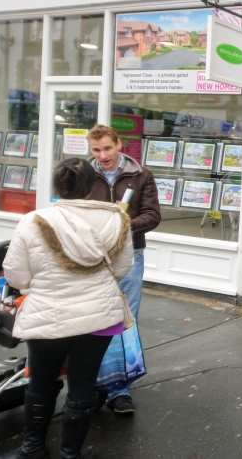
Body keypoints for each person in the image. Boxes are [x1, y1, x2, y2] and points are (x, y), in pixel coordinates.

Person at [0, 159, 134, 459]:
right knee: (83, 386)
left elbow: (16, 276)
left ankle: (32, 448)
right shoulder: (116, 220)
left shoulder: (34, 221)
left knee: (41, 382)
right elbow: (123, 267)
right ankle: (70, 454)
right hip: (99, 318)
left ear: (56, 186)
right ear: (92, 187)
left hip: (47, 316)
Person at [87, 124, 160, 414]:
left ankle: (120, 391)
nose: (102, 155)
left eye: (107, 147)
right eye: (96, 149)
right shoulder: (84, 174)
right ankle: (93, 385)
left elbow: (153, 216)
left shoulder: (141, 175)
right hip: (92, 257)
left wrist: (123, 223)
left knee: (125, 321)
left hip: (130, 255)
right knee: (92, 319)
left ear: (119, 145)